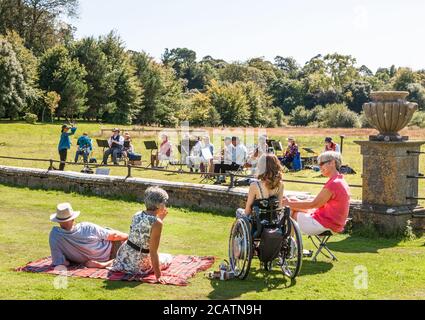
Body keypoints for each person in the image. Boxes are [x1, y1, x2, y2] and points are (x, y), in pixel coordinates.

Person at [111, 187, 173, 284]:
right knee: (168, 257)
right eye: (164, 202)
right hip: (138, 265)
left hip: (124, 258)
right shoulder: (157, 223)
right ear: (160, 205)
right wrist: (158, 276)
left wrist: (160, 219)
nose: (165, 205)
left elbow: (143, 233)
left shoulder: (137, 214)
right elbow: (153, 252)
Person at [282, 151, 350, 235]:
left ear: (332, 163)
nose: (319, 167)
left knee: (290, 211)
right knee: (292, 203)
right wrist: (291, 202)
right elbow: (318, 203)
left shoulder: (334, 183)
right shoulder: (339, 180)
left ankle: (288, 243)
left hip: (325, 223)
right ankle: (290, 243)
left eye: (321, 163)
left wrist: (287, 203)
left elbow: (314, 204)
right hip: (332, 222)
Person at [49, 203, 128, 268]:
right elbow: (114, 236)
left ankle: (110, 262)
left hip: (87, 260)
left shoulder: (55, 235)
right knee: (132, 249)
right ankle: (107, 264)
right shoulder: (87, 228)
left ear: (58, 221)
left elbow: (61, 262)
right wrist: (129, 237)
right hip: (112, 250)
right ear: (73, 218)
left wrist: (74, 257)